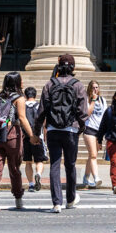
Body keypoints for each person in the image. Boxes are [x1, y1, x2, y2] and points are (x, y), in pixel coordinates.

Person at [32, 53, 89, 213]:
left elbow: (41, 112)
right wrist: (81, 127)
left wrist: (36, 133)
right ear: (73, 67)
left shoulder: (49, 84)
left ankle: (56, 202)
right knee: (70, 165)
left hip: (52, 130)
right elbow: (83, 112)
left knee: (54, 165)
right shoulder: (77, 85)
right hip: (71, 129)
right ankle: (70, 199)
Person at [0, 72, 35, 212]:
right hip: (12, 135)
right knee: (14, 168)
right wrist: (32, 135)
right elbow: (23, 118)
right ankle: (18, 199)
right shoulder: (19, 98)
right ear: (18, 83)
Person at [82, 80, 107, 189]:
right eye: (93, 87)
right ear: (89, 89)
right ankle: (96, 177)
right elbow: (87, 113)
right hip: (89, 129)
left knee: (92, 155)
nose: (95, 89)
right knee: (93, 155)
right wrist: (93, 100)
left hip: (99, 131)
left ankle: (86, 178)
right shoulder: (86, 100)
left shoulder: (102, 100)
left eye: (97, 87)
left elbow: (105, 116)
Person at [22, 86, 48, 192]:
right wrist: (45, 135)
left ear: (25, 95)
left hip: (26, 137)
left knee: (28, 162)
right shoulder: (39, 106)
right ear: (35, 95)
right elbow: (45, 122)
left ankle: (31, 184)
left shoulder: (22, 106)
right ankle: (38, 174)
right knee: (39, 161)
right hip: (38, 137)